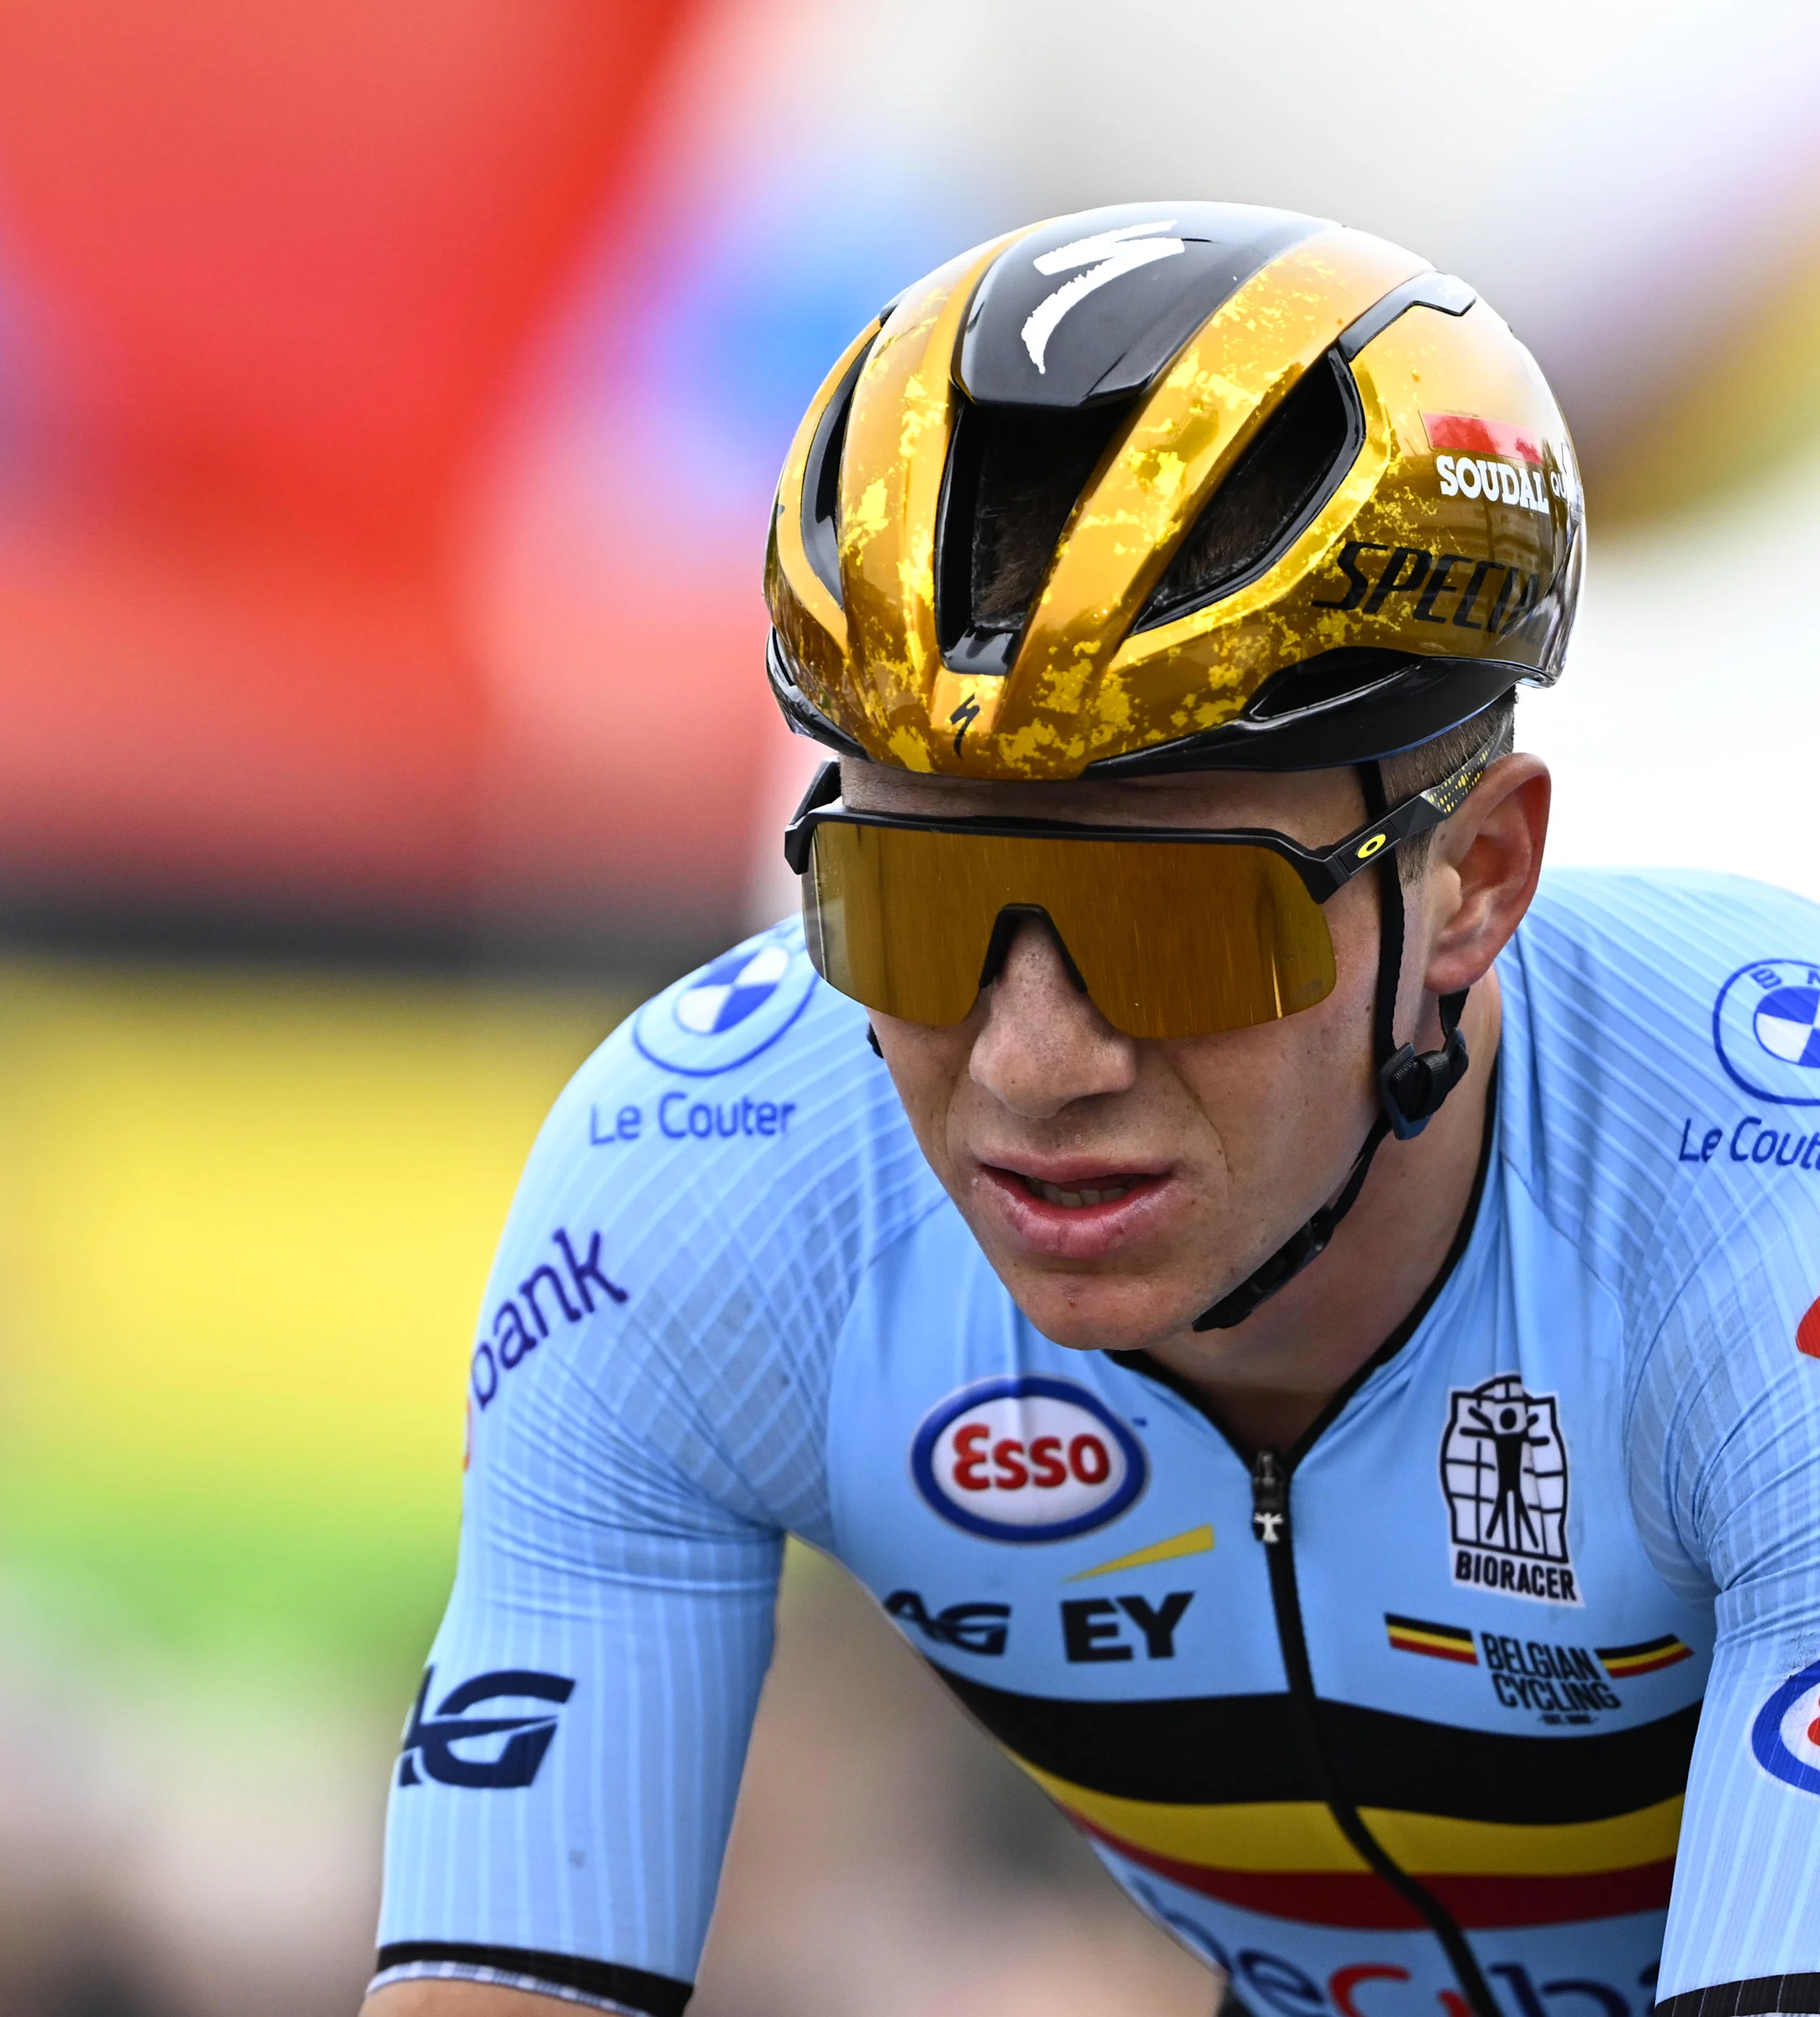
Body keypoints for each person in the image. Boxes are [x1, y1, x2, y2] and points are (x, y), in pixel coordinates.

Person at [364, 203, 1820, 2017]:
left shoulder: (1769, 1216)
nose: (1035, 1062)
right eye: (917, 915)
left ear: (1475, 881)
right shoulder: (705, 1186)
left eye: (1172, 929)